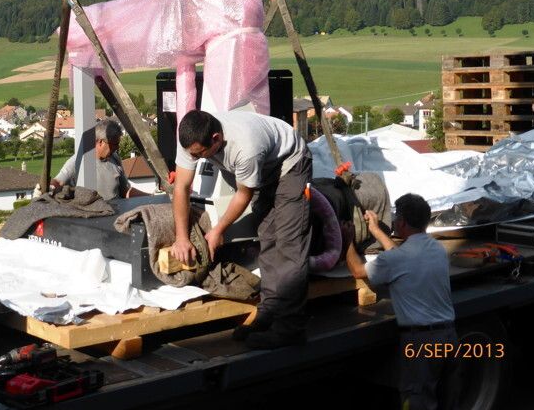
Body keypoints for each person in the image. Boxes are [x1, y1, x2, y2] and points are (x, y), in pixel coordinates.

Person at [170, 109, 312, 349]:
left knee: (289, 244)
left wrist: (217, 231)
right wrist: (181, 237)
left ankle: (290, 329)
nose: (195, 159)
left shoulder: (245, 146)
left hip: (291, 164)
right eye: (191, 155)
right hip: (263, 167)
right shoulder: (190, 138)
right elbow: (181, 188)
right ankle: (268, 311)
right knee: (267, 237)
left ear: (216, 138)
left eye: (200, 154)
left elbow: (243, 194)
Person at [346, 193, 459, 410]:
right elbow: (400, 256)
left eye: (397, 217)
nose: (395, 221)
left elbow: (358, 270)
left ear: (403, 223)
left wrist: (347, 240)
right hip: (448, 338)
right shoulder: (437, 249)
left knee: (416, 401)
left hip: (420, 344)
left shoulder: (396, 260)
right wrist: (377, 231)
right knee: (448, 401)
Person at [51, 119, 145, 201]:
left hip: (116, 215)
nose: (117, 147)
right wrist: (48, 188)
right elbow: (58, 182)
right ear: (100, 142)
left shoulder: (115, 158)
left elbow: (126, 191)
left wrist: (152, 196)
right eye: (114, 144)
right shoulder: (77, 160)